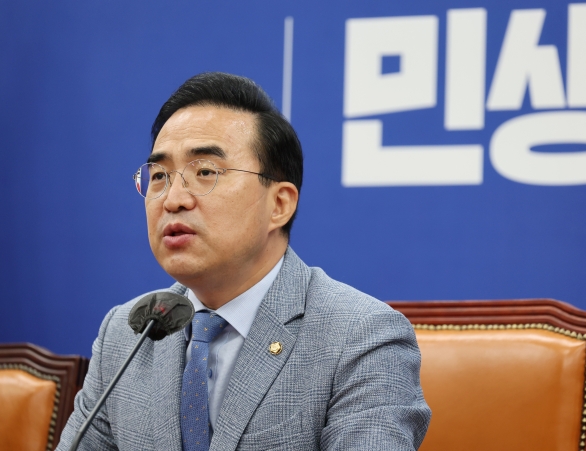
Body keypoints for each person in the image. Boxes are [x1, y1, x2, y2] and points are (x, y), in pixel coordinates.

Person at [57, 72, 431, 451]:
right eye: (159, 176)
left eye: (205, 172)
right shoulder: (127, 334)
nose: (173, 199)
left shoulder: (360, 338)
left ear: (279, 204)